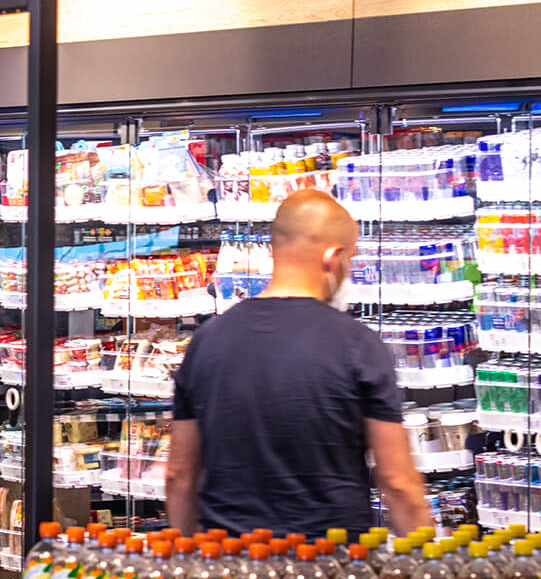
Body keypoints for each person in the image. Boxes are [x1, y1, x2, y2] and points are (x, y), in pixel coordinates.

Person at [166, 189, 429, 540]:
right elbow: (398, 484)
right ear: (333, 258)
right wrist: (426, 569)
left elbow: (179, 475)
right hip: (331, 567)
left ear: (274, 251)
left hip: (229, 565)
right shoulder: (358, 345)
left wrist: (188, 560)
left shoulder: (207, 340)